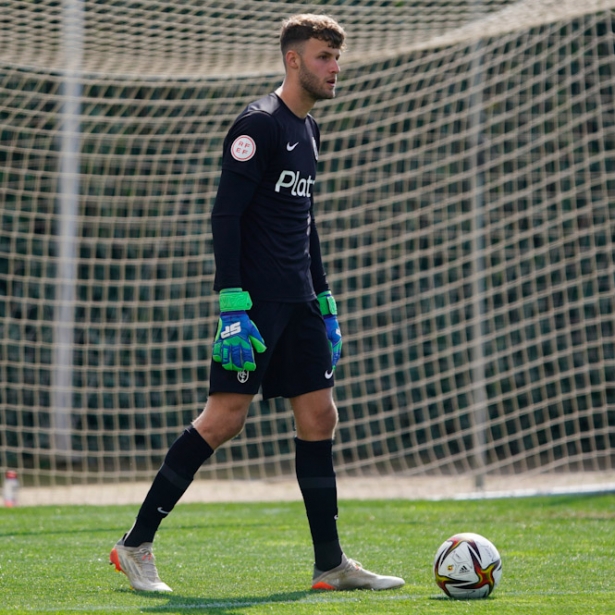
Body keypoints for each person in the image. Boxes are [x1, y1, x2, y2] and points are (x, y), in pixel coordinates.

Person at [110, 13, 405, 593]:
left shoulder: (310, 131)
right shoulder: (258, 125)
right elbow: (226, 214)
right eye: (324, 57)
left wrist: (324, 297)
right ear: (293, 60)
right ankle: (135, 544)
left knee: (320, 417)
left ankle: (330, 565)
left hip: (297, 300)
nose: (334, 67)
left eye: (336, 57)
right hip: (255, 303)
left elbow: (306, 221)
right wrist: (232, 302)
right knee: (223, 420)